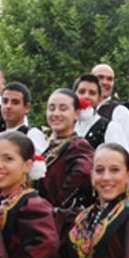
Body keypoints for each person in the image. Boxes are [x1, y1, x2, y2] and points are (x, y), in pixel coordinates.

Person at [38, 90, 96, 230]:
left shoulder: (79, 145)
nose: (56, 113)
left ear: (76, 114)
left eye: (63, 108)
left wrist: (58, 205)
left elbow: (83, 174)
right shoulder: (53, 146)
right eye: (51, 108)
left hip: (63, 223)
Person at [75, 74, 129, 149]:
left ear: (99, 99)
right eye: (82, 92)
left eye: (92, 93)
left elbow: (121, 158)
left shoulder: (110, 127)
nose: (86, 96)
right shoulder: (68, 126)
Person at [92, 63, 129, 153]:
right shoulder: (78, 112)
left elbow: (123, 150)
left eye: (110, 79)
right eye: (100, 77)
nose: (105, 82)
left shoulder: (120, 111)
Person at [1, 81, 48, 155]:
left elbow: (42, 164)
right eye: (5, 101)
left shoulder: (32, 134)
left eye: (15, 102)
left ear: (27, 107)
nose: (8, 106)